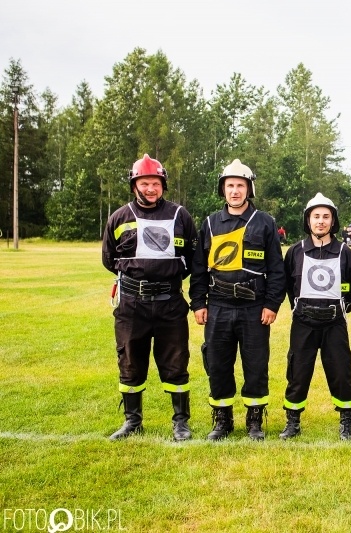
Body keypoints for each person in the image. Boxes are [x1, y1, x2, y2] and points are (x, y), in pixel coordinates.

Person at [102, 154, 197, 441]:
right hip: (132, 305)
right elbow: (109, 258)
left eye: (155, 183)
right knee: (130, 361)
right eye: (144, 183)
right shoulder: (119, 217)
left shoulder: (180, 215)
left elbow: (192, 258)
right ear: (134, 186)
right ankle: (132, 421)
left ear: (163, 185)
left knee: (176, 361)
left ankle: (181, 422)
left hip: (170, 303)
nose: (150, 189)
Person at [189, 159, 285, 441]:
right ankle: (223, 420)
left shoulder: (265, 223)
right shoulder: (210, 223)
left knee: (256, 365)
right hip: (218, 305)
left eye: (240, 185)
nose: (235, 191)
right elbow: (198, 268)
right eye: (230, 185)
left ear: (249, 189)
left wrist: (272, 304)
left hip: (254, 307)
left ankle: (254, 421)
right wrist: (198, 303)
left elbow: (276, 269)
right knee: (217, 364)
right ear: (223, 189)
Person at [280, 193, 351, 440]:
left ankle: (346, 421)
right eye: (316, 216)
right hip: (303, 322)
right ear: (308, 220)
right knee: (298, 372)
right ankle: (292, 422)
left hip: (335, 323)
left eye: (326, 216)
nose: (321, 221)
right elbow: (287, 286)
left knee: (341, 372)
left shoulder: (345, 252)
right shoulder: (295, 251)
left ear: (333, 221)